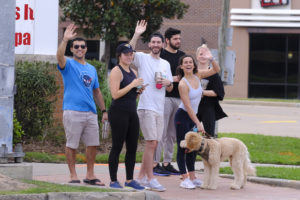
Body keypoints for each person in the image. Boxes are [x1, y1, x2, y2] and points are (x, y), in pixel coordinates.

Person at [56, 24, 108, 186]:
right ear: (71, 49)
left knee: (93, 144)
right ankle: (73, 175)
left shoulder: (92, 69)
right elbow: (59, 57)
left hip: (91, 112)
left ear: (86, 49)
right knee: (72, 145)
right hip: (72, 111)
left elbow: (97, 92)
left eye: (82, 46)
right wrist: (65, 39)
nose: (79, 48)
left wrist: (104, 110)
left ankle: (90, 175)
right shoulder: (68, 65)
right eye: (76, 46)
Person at [130, 20, 173, 192]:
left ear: (163, 44)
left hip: (159, 108)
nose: (155, 45)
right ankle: (151, 178)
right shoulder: (142, 58)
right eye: (153, 42)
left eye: (158, 42)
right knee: (152, 142)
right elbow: (129, 51)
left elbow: (169, 87)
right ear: (149, 44)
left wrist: (168, 82)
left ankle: (141, 178)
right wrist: (136, 34)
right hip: (146, 106)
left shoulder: (165, 64)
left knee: (153, 144)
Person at [174, 52, 220, 189]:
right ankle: (184, 178)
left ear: (193, 65)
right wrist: (198, 123)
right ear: (181, 66)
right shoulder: (182, 84)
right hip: (183, 117)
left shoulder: (198, 75)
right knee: (183, 146)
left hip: (193, 117)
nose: (188, 64)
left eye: (190, 62)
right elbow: (187, 106)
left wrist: (211, 58)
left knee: (192, 148)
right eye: (185, 62)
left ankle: (193, 177)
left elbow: (216, 70)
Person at [107, 43, 145, 190]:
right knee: (117, 146)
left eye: (131, 54)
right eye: (126, 54)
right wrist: (132, 85)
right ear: (119, 55)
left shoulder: (133, 72)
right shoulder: (117, 71)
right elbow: (115, 95)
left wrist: (139, 91)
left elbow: (131, 96)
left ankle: (129, 179)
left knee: (132, 147)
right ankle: (113, 180)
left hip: (131, 111)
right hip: (118, 112)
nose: (129, 56)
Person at [153, 28, 185, 176]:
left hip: (179, 98)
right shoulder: (161, 55)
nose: (178, 41)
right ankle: (155, 163)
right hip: (163, 98)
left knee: (172, 133)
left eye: (179, 39)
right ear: (167, 40)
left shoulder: (182, 56)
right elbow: (155, 76)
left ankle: (167, 163)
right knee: (161, 132)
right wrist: (173, 79)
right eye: (175, 39)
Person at [196, 44, 227, 138]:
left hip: (208, 107)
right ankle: (191, 153)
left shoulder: (213, 73)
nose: (203, 56)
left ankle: (209, 152)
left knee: (209, 135)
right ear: (197, 56)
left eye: (205, 54)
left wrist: (202, 92)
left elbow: (218, 92)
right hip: (193, 107)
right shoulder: (191, 72)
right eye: (201, 54)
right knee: (192, 134)